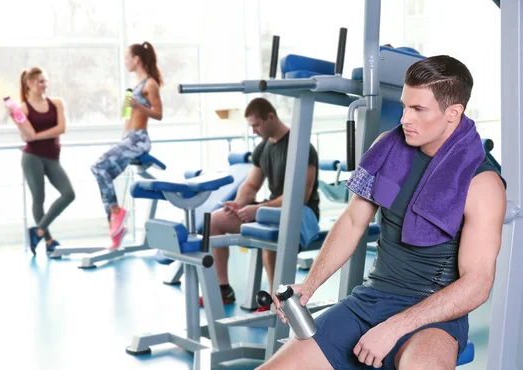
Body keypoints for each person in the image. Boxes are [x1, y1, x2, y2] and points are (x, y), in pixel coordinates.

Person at [259, 55, 507, 370]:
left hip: (434, 317)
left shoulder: (481, 184)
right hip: (370, 299)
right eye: (405, 106)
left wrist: (394, 327)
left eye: (418, 109)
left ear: (453, 113)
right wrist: (309, 285)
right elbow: (352, 221)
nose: (405, 119)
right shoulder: (389, 150)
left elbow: (477, 283)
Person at [203, 97, 320, 311]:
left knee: (268, 232)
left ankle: (280, 301)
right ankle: (223, 289)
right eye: (252, 126)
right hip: (271, 209)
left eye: (256, 125)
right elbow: (251, 184)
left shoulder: (301, 147)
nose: (254, 131)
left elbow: (300, 197)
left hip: (302, 212)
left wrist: (257, 209)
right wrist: (239, 203)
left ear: (271, 117)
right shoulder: (263, 148)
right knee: (214, 221)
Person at [91, 41, 163, 250]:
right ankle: (115, 223)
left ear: (136, 59)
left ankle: (116, 215)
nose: (125, 62)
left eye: (126, 58)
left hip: (139, 140)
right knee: (103, 173)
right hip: (127, 138)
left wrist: (138, 106)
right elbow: (126, 117)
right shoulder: (131, 89)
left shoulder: (150, 84)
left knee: (97, 166)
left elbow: (159, 114)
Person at [7, 67, 75, 255]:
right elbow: (26, 136)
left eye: (45, 81)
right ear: (29, 84)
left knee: (68, 194)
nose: (45, 85)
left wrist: (36, 136)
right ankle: (49, 240)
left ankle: (37, 231)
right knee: (39, 199)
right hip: (32, 158)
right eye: (40, 81)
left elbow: (61, 128)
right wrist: (26, 130)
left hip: (53, 158)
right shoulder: (22, 109)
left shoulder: (57, 103)